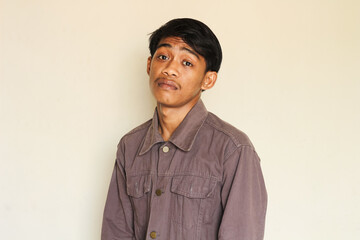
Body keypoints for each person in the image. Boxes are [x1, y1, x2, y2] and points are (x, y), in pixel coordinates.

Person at [101, 18, 267, 240]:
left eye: (186, 62)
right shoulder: (129, 146)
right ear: (149, 65)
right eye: (163, 57)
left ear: (208, 80)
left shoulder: (233, 149)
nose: (170, 69)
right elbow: (115, 233)